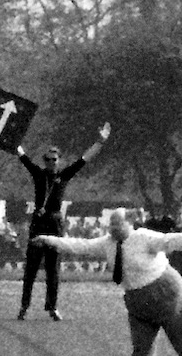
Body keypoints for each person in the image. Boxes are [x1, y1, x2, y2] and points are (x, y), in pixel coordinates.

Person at [31, 208, 182, 356]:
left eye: (117, 224)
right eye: (111, 225)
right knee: (141, 351)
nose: (113, 229)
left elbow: (170, 241)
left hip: (168, 294)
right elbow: (79, 245)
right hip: (137, 301)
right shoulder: (107, 243)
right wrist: (49, 240)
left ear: (130, 223)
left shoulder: (143, 237)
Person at [16, 122, 111, 321]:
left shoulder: (64, 175)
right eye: (48, 159)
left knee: (53, 268)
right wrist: (12, 138)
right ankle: (24, 306)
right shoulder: (38, 174)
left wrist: (100, 142)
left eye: (54, 159)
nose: (51, 162)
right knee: (31, 267)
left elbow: (84, 159)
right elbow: (22, 156)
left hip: (55, 224)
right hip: (38, 223)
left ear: (59, 161)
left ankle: (52, 306)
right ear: (44, 161)